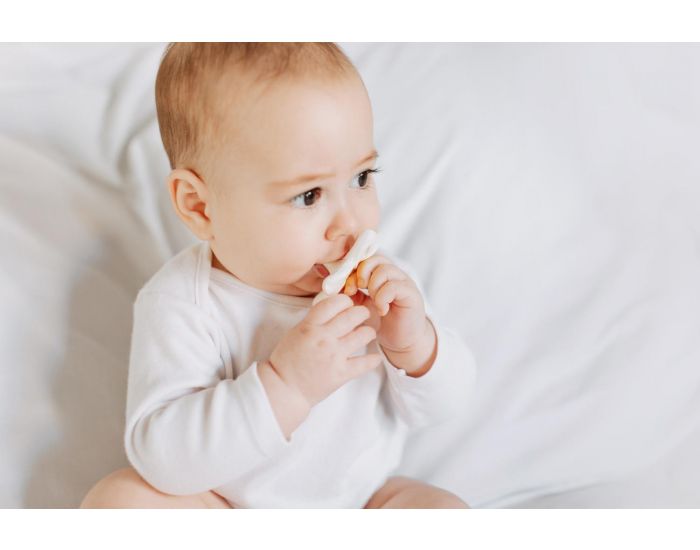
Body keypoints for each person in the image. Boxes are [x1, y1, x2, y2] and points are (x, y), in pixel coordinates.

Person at [81, 42, 476, 509]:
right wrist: (286, 385)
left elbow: (447, 407)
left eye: (362, 178)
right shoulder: (184, 301)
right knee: (119, 502)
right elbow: (163, 459)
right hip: (225, 507)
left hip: (361, 503)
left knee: (443, 511)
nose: (349, 222)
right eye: (309, 196)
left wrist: (414, 345)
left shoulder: (383, 289)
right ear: (200, 207)